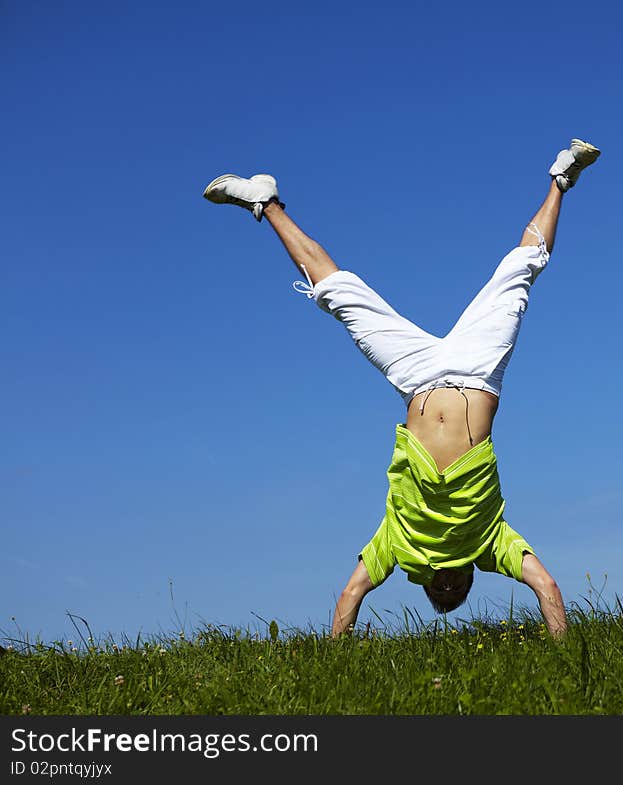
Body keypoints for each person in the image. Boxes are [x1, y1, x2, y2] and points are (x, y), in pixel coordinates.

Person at [202, 137, 601, 639]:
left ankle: (265, 202)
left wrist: (331, 670)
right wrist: (562, 653)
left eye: (442, 595)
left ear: (428, 584)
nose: (450, 590)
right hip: (478, 372)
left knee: (340, 294)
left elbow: (350, 596)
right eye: (459, 594)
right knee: (518, 271)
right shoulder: (490, 543)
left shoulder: (396, 545)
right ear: (471, 579)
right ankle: (560, 179)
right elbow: (547, 587)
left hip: (417, 376)